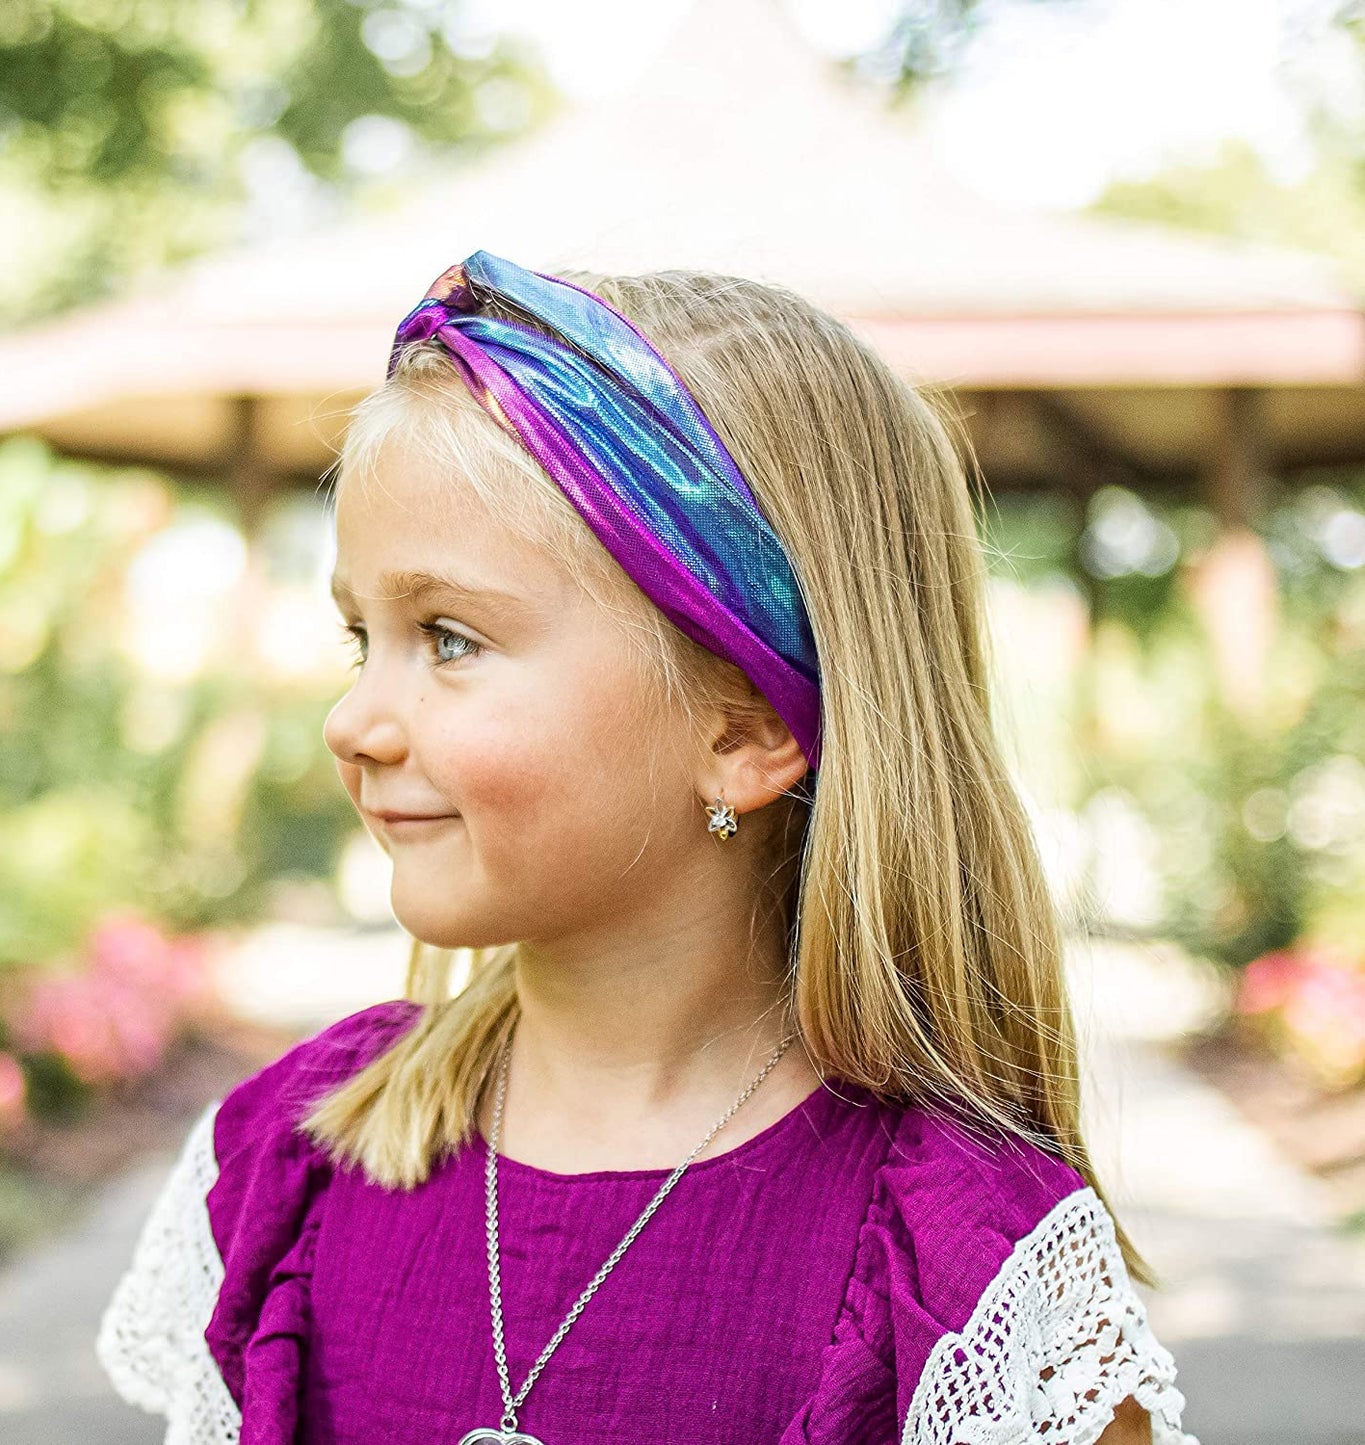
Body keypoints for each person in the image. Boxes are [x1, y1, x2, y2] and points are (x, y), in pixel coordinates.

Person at [95, 249, 1197, 1445]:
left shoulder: (966, 1280)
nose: (352, 721)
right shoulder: (293, 1161)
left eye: (449, 637)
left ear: (744, 727)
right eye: (362, 636)